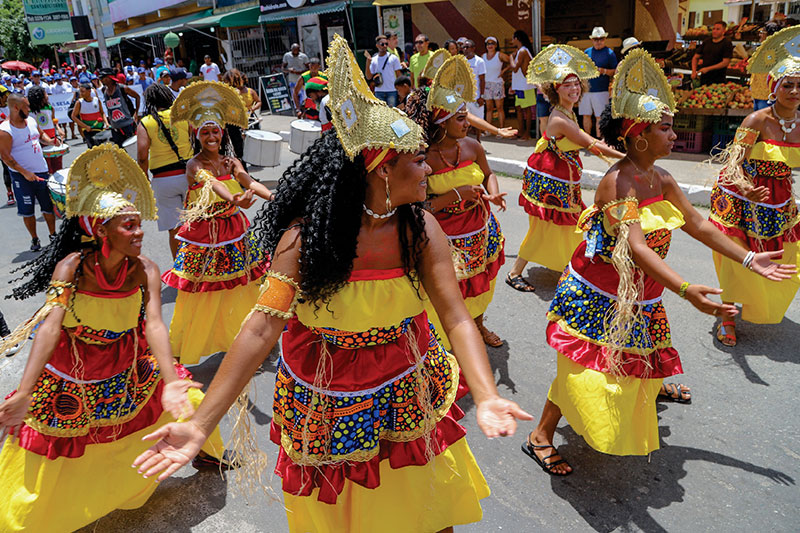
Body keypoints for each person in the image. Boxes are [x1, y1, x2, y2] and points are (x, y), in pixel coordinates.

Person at [133, 35, 531, 532]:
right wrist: (198, 425)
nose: (428, 167)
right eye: (416, 159)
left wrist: (487, 393)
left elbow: (455, 316)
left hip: (409, 382)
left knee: (431, 504)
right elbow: (259, 331)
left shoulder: (421, 228)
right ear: (381, 170)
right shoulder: (306, 242)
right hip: (328, 395)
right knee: (350, 512)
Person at [521, 50, 795, 476]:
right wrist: (687, 291)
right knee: (584, 364)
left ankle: (649, 390)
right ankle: (540, 434)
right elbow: (637, 248)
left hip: (641, 290)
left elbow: (698, 225)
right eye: (665, 128)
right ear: (638, 135)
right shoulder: (618, 182)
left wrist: (748, 256)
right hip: (601, 290)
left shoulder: (662, 178)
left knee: (641, 351)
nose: (674, 135)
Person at [0, 144, 232, 532]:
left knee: (188, 399)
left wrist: (171, 381)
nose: (140, 232)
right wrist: (24, 391)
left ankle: (208, 454)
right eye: (129, 225)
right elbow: (51, 327)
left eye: (139, 223)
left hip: (127, 360)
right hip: (74, 370)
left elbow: (155, 324)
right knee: (54, 449)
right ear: (99, 229)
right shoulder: (70, 268)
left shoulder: (146, 269)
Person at [161, 81, 273, 365]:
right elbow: (211, 185)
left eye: (215, 132)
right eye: (205, 132)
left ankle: (250, 337)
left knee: (243, 285)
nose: (211, 137)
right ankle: (182, 345)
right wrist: (235, 199)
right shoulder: (194, 165)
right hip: (204, 237)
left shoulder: (230, 161)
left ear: (222, 133)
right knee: (200, 292)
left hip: (233, 232)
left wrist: (274, 197)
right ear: (198, 135)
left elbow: (250, 182)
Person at [406, 55, 507, 347]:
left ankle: (478, 325)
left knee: (480, 284)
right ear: (441, 122)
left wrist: (494, 191)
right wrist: (453, 196)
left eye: (466, 116)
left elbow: (488, 175)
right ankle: (445, 339)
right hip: (443, 238)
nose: (467, 123)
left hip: (480, 229)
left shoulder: (473, 146)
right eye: (460, 118)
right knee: (451, 289)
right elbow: (415, 208)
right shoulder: (422, 157)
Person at [708, 25, 800, 345]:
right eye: (788, 85)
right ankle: (727, 314)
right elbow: (733, 163)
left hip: (778, 199)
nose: (795, 92)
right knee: (738, 258)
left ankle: (757, 302)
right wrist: (746, 188)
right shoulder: (756, 120)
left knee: (782, 256)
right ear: (774, 87)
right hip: (740, 194)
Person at [505, 45, 623, 292]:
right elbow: (589, 143)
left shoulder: (568, 112)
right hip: (550, 182)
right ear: (555, 89)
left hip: (561, 179)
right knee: (544, 228)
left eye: (576, 84)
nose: (574, 89)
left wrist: (619, 153)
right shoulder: (560, 118)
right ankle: (515, 272)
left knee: (569, 225)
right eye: (567, 85)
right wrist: (625, 158)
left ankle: (573, 267)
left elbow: (589, 139)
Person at [136, 83, 194, 258]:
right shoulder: (183, 116)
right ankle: (201, 264)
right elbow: (196, 139)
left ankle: (181, 269)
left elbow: (142, 155)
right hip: (190, 175)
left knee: (174, 229)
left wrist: (144, 177)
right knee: (197, 223)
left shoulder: (146, 122)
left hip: (163, 180)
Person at [0, 93, 58, 252]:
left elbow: (40, 135)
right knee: (28, 209)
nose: (29, 108)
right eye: (26, 106)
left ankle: (53, 235)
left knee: (47, 206)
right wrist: (24, 172)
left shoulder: (31, 121)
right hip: (22, 177)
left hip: (41, 171)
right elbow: (5, 157)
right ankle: (34, 238)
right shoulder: (5, 130)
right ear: (16, 107)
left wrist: (51, 141)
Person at [581, 27, 618, 137]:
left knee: (600, 116)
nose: (598, 41)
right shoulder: (586, 52)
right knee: (586, 115)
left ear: (605, 39)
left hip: (601, 90)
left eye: (601, 39)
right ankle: (587, 140)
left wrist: (603, 71)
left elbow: (615, 72)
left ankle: (599, 141)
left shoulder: (609, 53)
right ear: (592, 40)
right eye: (596, 39)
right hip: (586, 89)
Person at [27, 86, 65, 174]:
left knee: (58, 167)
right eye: (45, 94)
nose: (47, 96)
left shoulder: (50, 108)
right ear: (39, 97)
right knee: (46, 168)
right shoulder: (28, 111)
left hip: (53, 139)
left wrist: (59, 129)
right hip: (39, 142)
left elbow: (53, 121)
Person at [98, 67, 139, 147]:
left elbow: (137, 97)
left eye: (103, 78)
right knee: (120, 152)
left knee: (132, 149)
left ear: (110, 77)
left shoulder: (122, 88)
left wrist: (136, 113)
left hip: (127, 126)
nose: (101, 80)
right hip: (115, 128)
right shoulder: (104, 91)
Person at [510, 30, 536, 139]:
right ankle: (521, 131)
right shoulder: (521, 51)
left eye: (513, 38)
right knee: (519, 108)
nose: (512, 41)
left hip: (525, 86)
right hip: (520, 86)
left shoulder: (522, 51)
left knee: (527, 109)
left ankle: (527, 133)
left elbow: (515, 68)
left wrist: (510, 57)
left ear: (517, 39)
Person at [750, 22, 781, 111]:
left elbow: (767, 66)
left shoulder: (773, 50)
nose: (760, 34)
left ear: (769, 35)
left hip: (766, 94)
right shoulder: (765, 48)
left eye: (762, 32)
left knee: (764, 121)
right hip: (759, 92)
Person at [365, 35, 403, 107]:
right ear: (377, 45)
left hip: (392, 91)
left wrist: (399, 90)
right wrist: (368, 63)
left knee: (392, 113)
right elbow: (368, 77)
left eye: (386, 44)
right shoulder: (374, 59)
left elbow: (398, 75)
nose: (385, 46)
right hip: (379, 91)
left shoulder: (393, 58)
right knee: (381, 115)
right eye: (382, 44)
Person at [692, 21, 733, 86]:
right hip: (704, 79)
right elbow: (695, 57)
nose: (714, 31)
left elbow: (725, 62)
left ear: (724, 31)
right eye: (714, 29)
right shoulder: (706, 41)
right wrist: (694, 71)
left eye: (718, 29)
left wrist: (708, 69)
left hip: (718, 79)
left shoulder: (727, 43)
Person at [482, 36, 509, 132]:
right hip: (487, 84)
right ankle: (488, 130)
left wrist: (504, 71)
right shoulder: (483, 56)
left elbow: (511, 61)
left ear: (496, 45)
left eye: (492, 43)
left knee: (499, 108)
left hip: (497, 83)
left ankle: (501, 129)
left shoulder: (499, 55)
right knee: (489, 108)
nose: (490, 45)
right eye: (488, 43)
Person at [72, 82, 109, 148]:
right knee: (92, 149)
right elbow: (73, 116)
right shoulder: (79, 102)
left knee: (102, 148)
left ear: (89, 91)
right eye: (80, 92)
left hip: (99, 128)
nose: (81, 93)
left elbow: (102, 113)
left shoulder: (96, 100)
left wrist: (106, 123)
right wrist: (85, 126)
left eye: (83, 91)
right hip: (88, 130)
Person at [463, 39, 486, 125]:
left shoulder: (479, 61)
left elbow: (482, 79)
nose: (465, 49)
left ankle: (478, 138)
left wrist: (482, 96)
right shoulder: (461, 61)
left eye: (467, 47)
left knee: (478, 121)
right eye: (464, 47)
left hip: (476, 96)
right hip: (465, 97)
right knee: (466, 120)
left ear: (473, 48)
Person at [0, 86, 13, 206]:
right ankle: (10, 192)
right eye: (4, 95)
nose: (7, 97)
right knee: (6, 167)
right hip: (2, 143)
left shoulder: (10, 107)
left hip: (15, 140)